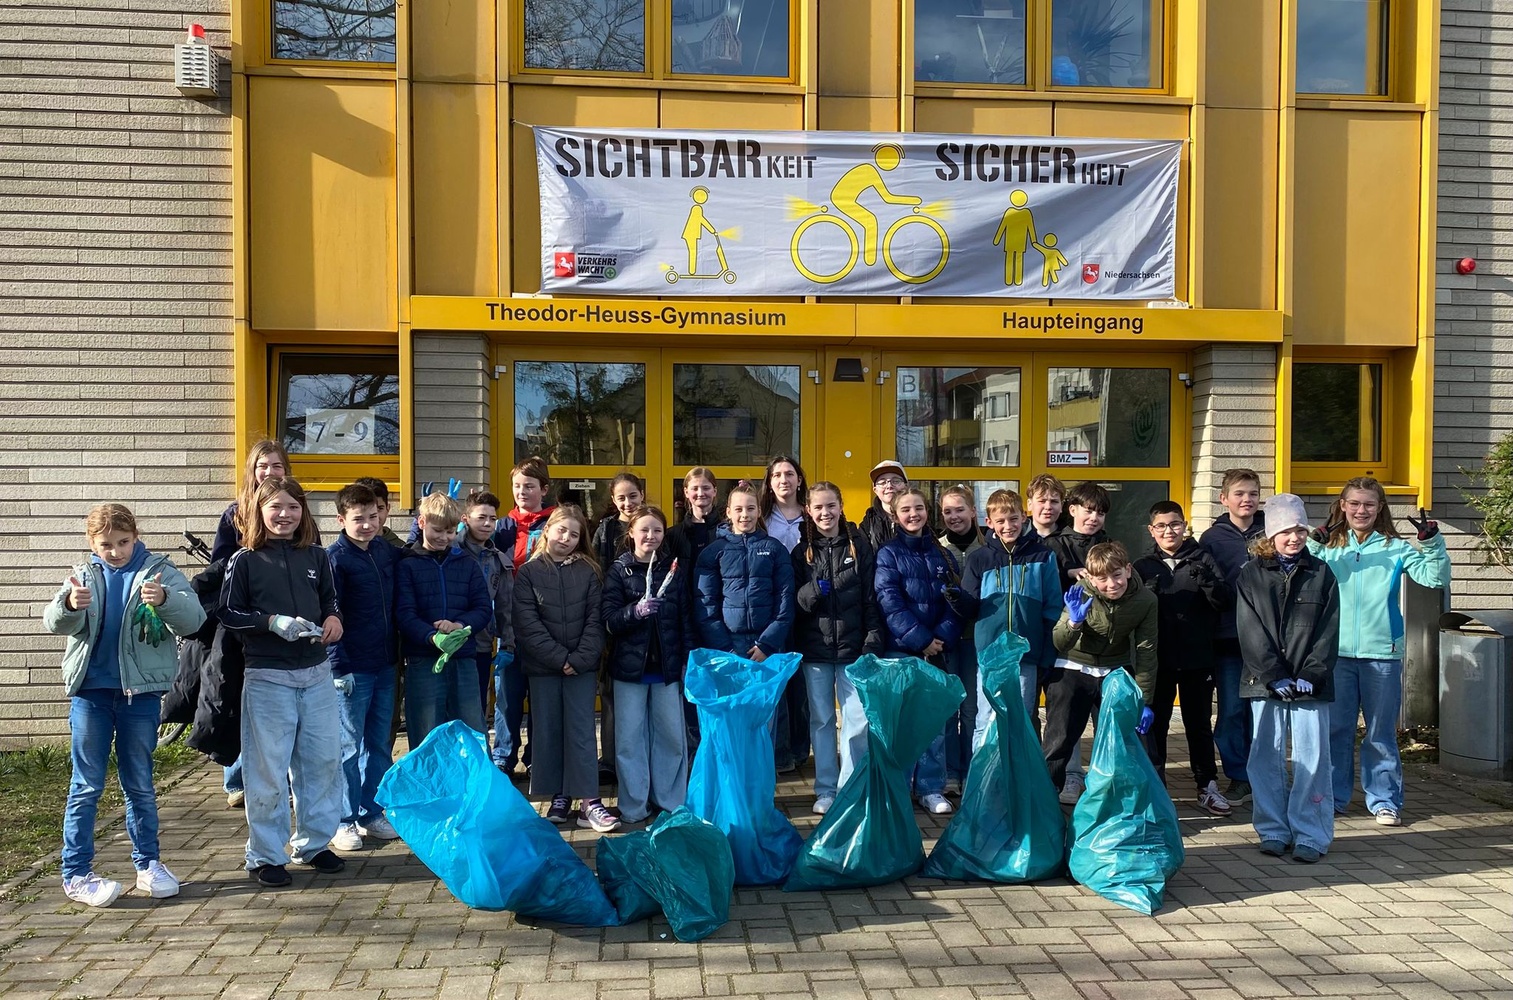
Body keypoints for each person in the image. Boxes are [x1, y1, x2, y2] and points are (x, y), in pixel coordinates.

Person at [43, 503, 206, 907]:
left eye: (123, 542)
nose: (115, 551)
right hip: (91, 695)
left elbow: (193, 620)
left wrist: (165, 599)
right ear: (92, 544)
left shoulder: (159, 571)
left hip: (140, 696)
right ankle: (75, 874)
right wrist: (69, 605)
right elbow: (54, 622)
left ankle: (148, 865)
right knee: (86, 786)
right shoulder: (82, 575)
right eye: (106, 545)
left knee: (140, 784)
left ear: (136, 537)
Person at [219, 476, 345, 888]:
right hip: (268, 677)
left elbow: (331, 599)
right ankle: (265, 856)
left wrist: (333, 618)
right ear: (259, 511)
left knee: (322, 762)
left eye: (293, 507)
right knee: (268, 771)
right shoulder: (244, 559)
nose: (285, 515)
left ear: (303, 512)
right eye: (275, 507)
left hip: (317, 673)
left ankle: (314, 844)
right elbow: (227, 612)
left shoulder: (318, 555)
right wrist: (270, 622)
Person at [1309, 477, 1450, 826]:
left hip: (1382, 654)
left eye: (1369, 504)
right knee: (1336, 730)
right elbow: (1300, 574)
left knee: (1380, 733)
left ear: (1380, 508)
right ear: (1343, 505)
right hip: (1336, 653)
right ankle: (1333, 798)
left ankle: (1384, 800)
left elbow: (1435, 579)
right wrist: (1313, 544)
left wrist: (1431, 542)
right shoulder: (1330, 548)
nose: (1361, 510)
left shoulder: (1395, 548)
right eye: (1355, 503)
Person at [1238, 494, 1340, 862]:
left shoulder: (1321, 573)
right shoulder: (1251, 574)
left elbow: (1329, 629)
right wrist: (1273, 674)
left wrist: (1313, 672)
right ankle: (1272, 830)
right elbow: (1249, 629)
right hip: (1265, 682)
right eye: (1285, 531)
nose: (1294, 538)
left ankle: (1311, 834)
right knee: (1265, 756)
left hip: (1311, 683)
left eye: (1299, 530)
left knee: (1313, 758)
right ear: (1271, 535)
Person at [514, 505, 614, 831]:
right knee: (549, 731)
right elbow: (527, 624)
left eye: (574, 534)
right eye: (561, 530)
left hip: (581, 668)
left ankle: (589, 802)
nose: (566, 538)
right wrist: (559, 658)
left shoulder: (589, 572)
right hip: (544, 668)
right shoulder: (529, 572)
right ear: (547, 531)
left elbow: (596, 620)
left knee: (581, 732)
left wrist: (579, 659)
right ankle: (560, 795)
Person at [211, 439, 299, 808]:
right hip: (244, 617)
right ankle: (236, 778)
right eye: (263, 465)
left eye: (276, 465)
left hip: (285, 619)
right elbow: (219, 565)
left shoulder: (293, 508)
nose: (269, 471)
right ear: (252, 470)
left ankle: (283, 780)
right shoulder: (235, 514)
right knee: (239, 695)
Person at [790, 482, 884, 814]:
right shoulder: (801, 552)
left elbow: (871, 598)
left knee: (856, 721)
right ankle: (826, 790)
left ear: (841, 506)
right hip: (815, 650)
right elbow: (795, 603)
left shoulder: (860, 546)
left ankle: (850, 788)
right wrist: (814, 590)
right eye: (818, 507)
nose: (825, 513)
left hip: (853, 649)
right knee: (822, 721)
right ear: (808, 511)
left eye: (830, 505)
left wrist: (872, 640)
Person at [1134, 501, 1232, 816]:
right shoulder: (1143, 565)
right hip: (1158, 660)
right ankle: (1157, 788)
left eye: (1175, 524)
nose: (1169, 531)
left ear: (1184, 526)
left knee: (1199, 723)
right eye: (1161, 526)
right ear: (1151, 530)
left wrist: (1207, 581)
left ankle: (1207, 785)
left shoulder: (1203, 558)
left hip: (1198, 658)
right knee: (1156, 725)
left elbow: (1224, 602)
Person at [602, 505, 693, 826]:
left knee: (671, 737)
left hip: (667, 670)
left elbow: (684, 620)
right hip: (629, 671)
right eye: (644, 530)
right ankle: (633, 806)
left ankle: (670, 802)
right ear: (631, 533)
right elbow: (608, 619)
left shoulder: (674, 569)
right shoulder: (619, 571)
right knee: (629, 741)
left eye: (657, 530)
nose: (651, 536)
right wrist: (634, 612)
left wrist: (687, 661)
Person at [875, 487, 964, 816]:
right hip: (901, 650)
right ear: (895, 515)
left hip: (936, 651)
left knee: (932, 723)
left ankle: (930, 787)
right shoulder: (888, 554)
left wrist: (940, 637)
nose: (913, 515)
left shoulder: (943, 553)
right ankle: (898, 787)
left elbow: (955, 600)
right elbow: (889, 602)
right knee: (901, 724)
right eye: (906, 510)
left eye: (919, 508)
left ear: (928, 512)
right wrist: (920, 639)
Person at [1044, 542, 1158, 796]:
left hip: (1114, 668)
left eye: (1117, 575)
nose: (1111, 584)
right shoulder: (1080, 593)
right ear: (1091, 578)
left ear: (1128, 570)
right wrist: (1074, 622)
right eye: (1102, 579)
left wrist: (1143, 699)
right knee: (1060, 738)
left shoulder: (1146, 600)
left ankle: (1121, 799)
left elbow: (1146, 650)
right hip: (1073, 665)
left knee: (1121, 739)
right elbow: (1059, 642)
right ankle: (1046, 798)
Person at [326, 484, 402, 851]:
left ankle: (371, 811)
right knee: (348, 745)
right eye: (359, 519)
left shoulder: (385, 551)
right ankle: (343, 820)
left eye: (374, 516)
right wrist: (338, 667)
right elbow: (329, 614)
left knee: (379, 743)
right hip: (352, 668)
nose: (368, 525)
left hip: (386, 662)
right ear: (341, 519)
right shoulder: (335, 559)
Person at [959, 489, 1061, 749]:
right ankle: (983, 774)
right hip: (990, 654)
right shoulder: (979, 558)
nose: (1008, 526)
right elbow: (969, 608)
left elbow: (1052, 608)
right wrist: (956, 599)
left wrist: (1047, 653)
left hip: (1027, 654)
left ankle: (1017, 773)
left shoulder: (1043, 556)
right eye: (1000, 521)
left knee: (1021, 719)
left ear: (1024, 517)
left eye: (1013, 519)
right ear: (989, 522)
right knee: (986, 719)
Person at [395, 493, 492, 748]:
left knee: (472, 729)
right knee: (426, 731)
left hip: (463, 657)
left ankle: (475, 775)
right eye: (438, 530)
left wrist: (459, 626)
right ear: (421, 522)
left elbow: (483, 608)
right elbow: (404, 613)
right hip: (423, 659)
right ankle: (428, 775)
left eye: (450, 532)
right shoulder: (407, 564)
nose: (444, 537)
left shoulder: (467, 564)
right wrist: (431, 636)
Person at [1199, 468, 1267, 805]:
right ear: (1223, 499)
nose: (1247, 500)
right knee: (1231, 712)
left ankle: (1263, 775)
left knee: (1262, 713)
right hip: (1228, 639)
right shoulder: (1212, 539)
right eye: (1239, 494)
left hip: (1267, 640)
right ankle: (1239, 776)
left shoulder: (1272, 532)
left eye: (1253, 493)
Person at [1041, 479, 1111, 803]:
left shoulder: (1110, 545)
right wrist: (1068, 572)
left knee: (1106, 723)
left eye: (1100, 513)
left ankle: (1102, 784)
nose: (1094, 517)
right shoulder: (1053, 545)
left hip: (1105, 651)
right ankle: (1066, 780)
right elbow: (1044, 588)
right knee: (1064, 725)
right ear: (1072, 510)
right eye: (1088, 510)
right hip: (1066, 649)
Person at [492, 456, 557, 773]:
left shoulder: (556, 525)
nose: (521, 492)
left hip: (546, 624)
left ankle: (537, 758)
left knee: (542, 696)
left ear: (543, 489)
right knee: (507, 694)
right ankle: (504, 755)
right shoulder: (502, 527)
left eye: (529, 486)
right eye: (517, 486)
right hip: (509, 625)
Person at [694, 480, 796, 664]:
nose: (744, 515)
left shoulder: (775, 549)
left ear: (759, 511)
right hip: (729, 645)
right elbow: (706, 604)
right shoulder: (713, 552)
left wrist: (767, 644)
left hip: (768, 647)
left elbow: (785, 599)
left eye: (750, 509)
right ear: (728, 512)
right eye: (738, 509)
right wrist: (725, 649)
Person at [590, 473, 646, 782]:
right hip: (612, 619)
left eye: (633, 495)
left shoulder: (650, 524)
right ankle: (610, 760)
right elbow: (597, 572)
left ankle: (640, 758)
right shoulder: (605, 530)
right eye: (621, 497)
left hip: (644, 619)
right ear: (613, 499)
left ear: (642, 495)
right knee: (610, 694)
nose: (628, 502)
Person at [761, 455, 811, 773]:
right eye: (777, 475)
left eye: (789, 474)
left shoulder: (812, 515)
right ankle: (777, 751)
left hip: (808, 607)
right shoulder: (762, 518)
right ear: (769, 483)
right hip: (773, 609)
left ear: (799, 480)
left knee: (800, 683)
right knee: (777, 679)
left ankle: (799, 749)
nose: (784, 480)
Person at [936, 485, 984, 793]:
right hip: (946, 640)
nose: (954, 516)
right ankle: (950, 771)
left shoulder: (988, 547)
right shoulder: (937, 548)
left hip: (977, 640)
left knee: (971, 710)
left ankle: (970, 770)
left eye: (960, 510)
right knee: (947, 708)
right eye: (947, 512)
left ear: (973, 511)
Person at [459, 491, 514, 735]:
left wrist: (507, 644)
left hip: (481, 644)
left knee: (476, 711)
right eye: (481, 517)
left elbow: (505, 606)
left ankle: (477, 757)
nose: (487, 524)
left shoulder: (498, 560)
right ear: (465, 519)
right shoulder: (452, 549)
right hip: (446, 644)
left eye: (492, 519)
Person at [667, 467, 721, 571]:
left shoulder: (727, 531)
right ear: (686, 492)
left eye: (706, 488)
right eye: (695, 488)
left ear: (714, 491)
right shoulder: (672, 535)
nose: (700, 493)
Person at [860, 460, 907, 554]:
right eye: (882, 482)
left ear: (906, 486)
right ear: (875, 490)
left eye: (896, 481)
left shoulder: (918, 517)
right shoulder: (868, 523)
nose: (889, 486)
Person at [353, 475, 406, 548]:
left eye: (379, 508)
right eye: (366, 509)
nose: (374, 515)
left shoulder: (401, 549)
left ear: (387, 509)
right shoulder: (340, 551)